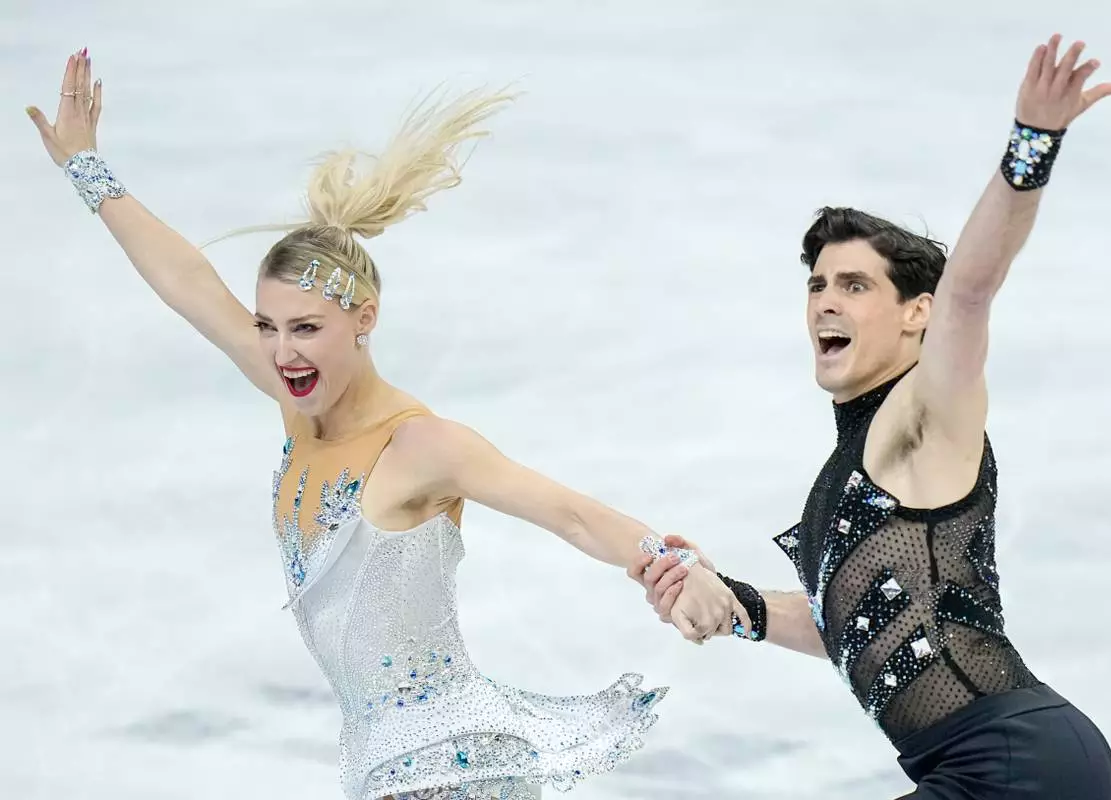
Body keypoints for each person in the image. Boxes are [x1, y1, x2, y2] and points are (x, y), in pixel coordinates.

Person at [26, 51, 748, 800]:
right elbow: (187, 281)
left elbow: (569, 513)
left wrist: (675, 565)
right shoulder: (294, 402)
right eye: (267, 326)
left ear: (363, 320)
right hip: (385, 768)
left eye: (305, 328)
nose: (281, 351)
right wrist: (86, 169)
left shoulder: (420, 446)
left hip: (451, 768)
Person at [630, 34, 1111, 799]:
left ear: (915, 314)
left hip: (1011, 763)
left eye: (856, 285)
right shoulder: (859, 456)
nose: (826, 299)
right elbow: (865, 622)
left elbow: (971, 288)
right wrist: (738, 604)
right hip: (997, 761)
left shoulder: (925, 410)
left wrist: (1034, 140)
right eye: (818, 284)